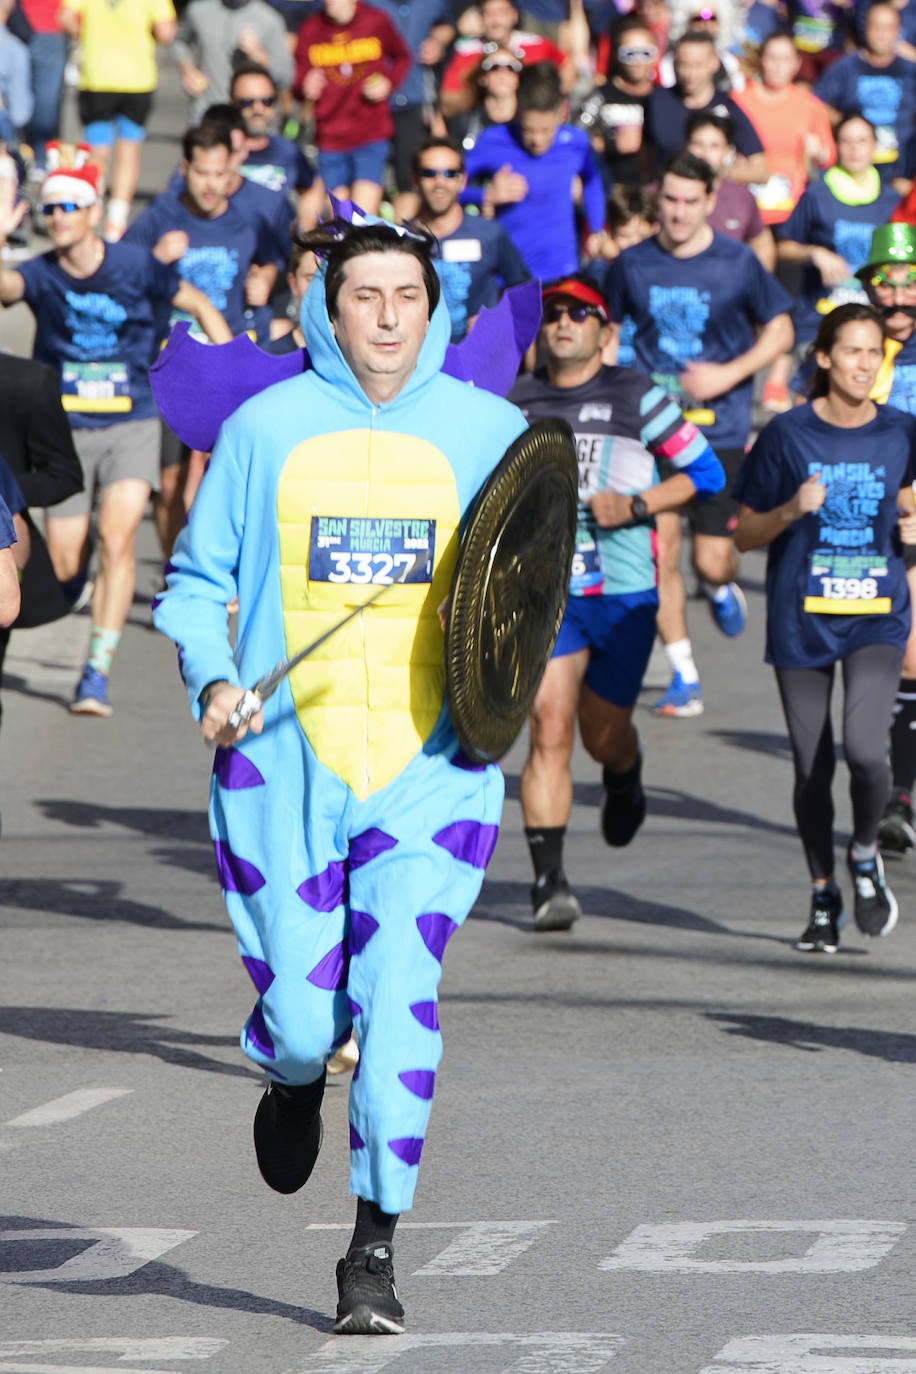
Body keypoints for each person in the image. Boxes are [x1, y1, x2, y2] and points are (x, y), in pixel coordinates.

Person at [152, 220, 529, 1334]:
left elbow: (530, 591)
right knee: (312, 1025)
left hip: (433, 772)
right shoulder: (266, 429)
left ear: (432, 306)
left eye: (404, 295)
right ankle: (288, 1068)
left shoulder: (492, 433)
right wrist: (215, 681)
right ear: (328, 306)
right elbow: (190, 583)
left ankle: (373, 1247)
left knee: (400, 1009)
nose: (384, 317)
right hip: (285, 772)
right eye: (361, 295)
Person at [510, 275, 724, 930]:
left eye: (580, 314)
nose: (563, 323)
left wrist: (636, 505)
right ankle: (549, 881)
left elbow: (706, 474)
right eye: (553, 314)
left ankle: (625, 771)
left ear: (606, 332)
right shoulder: (513, 402)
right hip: (549, 595)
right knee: (550, 724)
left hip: (626, 594)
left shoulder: (638, 396)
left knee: (603, 736)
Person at [0, 144, 232, 716]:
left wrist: (230, 376)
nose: (58, 218)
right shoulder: (39, 274)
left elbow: (196, 301)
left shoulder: (133, 265)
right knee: (62, 560)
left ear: (94, 211)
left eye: (69, 207)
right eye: (49, 209)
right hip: (66, 431)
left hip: (131, 418)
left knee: (118, 537)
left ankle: (96, 672)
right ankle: (82, 599)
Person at [733, 303, 916, 951]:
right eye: (853, 351)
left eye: (875, 353)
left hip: (876, 615)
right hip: (801, 619)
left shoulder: (902, 432)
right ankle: (822, 895)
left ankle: (864, 854)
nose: (865, 364)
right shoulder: (788, 434)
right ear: (824, 358)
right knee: (812, 769)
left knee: (867, 753)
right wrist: (790, 508)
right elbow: (743, 535)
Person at [605, 150, 794, 717]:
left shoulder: (737, 263)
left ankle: (716, 587)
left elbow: (781, 328)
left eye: (692, 201)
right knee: (660, 553)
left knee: (712, 559)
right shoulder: (631, 263)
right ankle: (684, 675)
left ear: (712, 202)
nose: (680, 212)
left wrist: (729, 375)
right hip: (651, 432)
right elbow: (609, 330)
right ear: (656, 199)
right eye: (670, 200)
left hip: (721, 431)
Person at [851, 222, 916, 854]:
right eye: (886, 283)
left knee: (912, 653)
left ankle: (898, 797)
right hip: (859, 520)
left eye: (910, 282)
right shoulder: (854, 346)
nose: (899, 297)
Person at [774, 113, 899, 409]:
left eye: (862, 141)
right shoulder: (817, 194)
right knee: (809, 402)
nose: (854, 149)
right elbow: (784, 246)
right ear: (836, 146)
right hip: (819, 317)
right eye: (846, 141)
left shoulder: (891, 199)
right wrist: (814, 252)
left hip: (871, 321)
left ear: (874, 147)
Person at [463, 61, 605, 280]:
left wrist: (596, 227)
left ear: (560, 114)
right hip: (508, 272)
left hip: (562, 270)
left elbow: (593, 181)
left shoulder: (575, 142)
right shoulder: (493, 140)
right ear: (518, 112)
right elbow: (448, 186)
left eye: (546, 130)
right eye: (529, 130)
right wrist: (486, 196)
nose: (537, 140)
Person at [59, 0, 177, 241]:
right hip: (137, 80)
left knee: (97, 154)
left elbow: (65, 18)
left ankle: (92, 213)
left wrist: (86, 33)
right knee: (129, 152)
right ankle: (116, 221)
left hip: (97, 77)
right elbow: (166, 32)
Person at [293, 0, 412, 216]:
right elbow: (298, 83)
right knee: (341, 220)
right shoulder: (311, 28)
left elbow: (402, 57)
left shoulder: (376, 20)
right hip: (330, 138)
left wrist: (389, 82)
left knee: (361, 218)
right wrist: (305, 85)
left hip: (370, 133)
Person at [411, 134, 528, 342]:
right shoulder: (399, 240)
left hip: (478, 361)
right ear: (414, 180)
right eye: (429, 173)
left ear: (463, 180)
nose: (440, 182)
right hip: (417, 363)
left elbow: (523, 293)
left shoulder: (490, 234)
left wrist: (496, 322)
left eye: (450, 173)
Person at [731, 30, 836, 231]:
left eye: (786, 59)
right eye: (773, 58)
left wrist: (817, 153)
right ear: (762, 60)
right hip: (746, 205)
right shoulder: (739, 101)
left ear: (796, 63)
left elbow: (828, 157)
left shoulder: (810, 105)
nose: (779, 66)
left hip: (791, 208)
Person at [645, 28, 769, 183]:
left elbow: (761, 171)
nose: (690, 74)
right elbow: (645, 157)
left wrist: (718, 173)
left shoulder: (728, 109)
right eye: (684, 65)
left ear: (714, 63)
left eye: (698, 65)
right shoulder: (657, 101)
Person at [814, 1, 916, 181]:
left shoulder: (909, 70)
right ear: (865, 28)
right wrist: (842, 121)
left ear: (898, 31)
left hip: (899, 171)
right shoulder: (845, 68)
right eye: (876, 27)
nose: (882, 34)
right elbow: (814, 104)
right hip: (854, 171)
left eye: (888, 28)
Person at [229, 62, 318, 230]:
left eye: (266, 101)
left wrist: (305, 236)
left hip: (275, 251)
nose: (258, 109)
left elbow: (312, 188)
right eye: (247, 102)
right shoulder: (216, 148)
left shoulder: (287, 151)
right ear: (231, 103)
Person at [684, 109, 776, 269]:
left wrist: (757, 287)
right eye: (698, 144)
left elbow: (762, 245)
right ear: (686, 147)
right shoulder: (663, 193)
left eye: (714, 146)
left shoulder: (742, 197)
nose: (705, 154)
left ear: (727, 151)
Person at [174, 0, 294, 123]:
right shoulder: (198, 10)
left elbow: (285, 77)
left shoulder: (270, 19)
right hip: (206, 115)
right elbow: (179, 41)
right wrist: (187, 70)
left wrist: (258, 54)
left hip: (249, 121)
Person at [576, 15, 657, 189]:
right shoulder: (599, 95)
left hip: (652, 195)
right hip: (609, 192)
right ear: (616, 54)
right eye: (629, 53)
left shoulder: (664, 98)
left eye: (646, 53)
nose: (638, 61)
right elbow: (575, 136)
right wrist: (611, 144)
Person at [437, 42, 521, 151]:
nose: (502, 74)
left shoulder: (530, 121)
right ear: (482, 77)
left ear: (519, 77)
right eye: (494, 67)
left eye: (511, 67)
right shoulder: (462, 122)